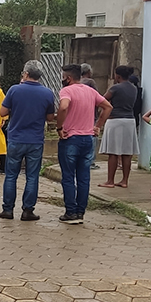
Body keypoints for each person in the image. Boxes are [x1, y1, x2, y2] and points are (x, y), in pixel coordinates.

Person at [0, 60, 56, 221]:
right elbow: (50, 117)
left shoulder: (14, 90)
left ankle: (8, 210)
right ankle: (27, 210)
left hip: (16, 138)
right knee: (32, 176)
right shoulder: (47, 93)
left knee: (11, 175)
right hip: (35, 140)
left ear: (25, 73)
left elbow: (2, 112)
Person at [55, 64, 112, 224]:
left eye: (63, 76)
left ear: (68, 78)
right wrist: (97, 126)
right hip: (88, 139)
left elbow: (64, 106)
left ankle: (70, 212)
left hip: (70, 139)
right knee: (84, 177)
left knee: (68, 177)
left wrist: (59, 127)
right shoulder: (91, 91)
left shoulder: (66, 91)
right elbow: (108, 107)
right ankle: (80, 212)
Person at [98, 66, 140, 189]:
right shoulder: (133, 88)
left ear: (118, 76)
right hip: (130, 121)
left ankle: (110, 181)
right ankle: (124, 180)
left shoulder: (115, 88)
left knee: (113, 152)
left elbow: (102, 100)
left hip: (115, 120)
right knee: (127, 153)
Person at [80, 63, 101, 170]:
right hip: (90, 114)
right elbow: (97, 99)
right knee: (92, 136)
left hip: (79, 115)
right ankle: (90, 161)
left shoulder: (77, 83)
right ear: (88, 72)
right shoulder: (90, 82)